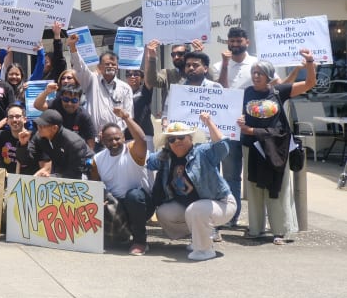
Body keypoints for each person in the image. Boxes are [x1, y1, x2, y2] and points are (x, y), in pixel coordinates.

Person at [238, 51, 316, 244]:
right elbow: (235, 113)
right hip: (252, 146)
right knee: (254, 188)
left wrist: (309, 63)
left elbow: (309, 84)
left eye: (260, 73)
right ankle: (255, 229)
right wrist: (240, 121)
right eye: (254, 72)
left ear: (269, 75)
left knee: (278, 187)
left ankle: (280, 231)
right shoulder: (247, 92)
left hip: (275, 147)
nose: (256, 76)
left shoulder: (278, 91)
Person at [146, 112, 234, 261]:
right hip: (190, 208)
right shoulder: (165, 157)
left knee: (197, 209)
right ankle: (199, 237)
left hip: (221, 204)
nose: (177, 142)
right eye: (172, 139)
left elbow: (222, 147)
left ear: (190, 138)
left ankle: (205, 250)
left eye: (181, 137)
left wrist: (209, 122)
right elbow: (146, 161)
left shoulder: (202, 152)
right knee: (164, 212)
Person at [209, 27, 259, 229]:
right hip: (228, 128)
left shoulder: (256, 63)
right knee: (230, 174)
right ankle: (230, 216)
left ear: (247, 41)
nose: (235, 45)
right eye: (232, 41)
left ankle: (254, 217)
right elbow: (220, 91)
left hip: (253, 126)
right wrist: (226, 65)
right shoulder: (217, 65)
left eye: (239, 41)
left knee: (255, 173)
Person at [91, 107, 154, 255]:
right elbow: (95, 186)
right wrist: (101, 198)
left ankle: (140, 241)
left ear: (123, 138)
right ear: (102, 141)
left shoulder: (133, 150)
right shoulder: (98, 159)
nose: (114, 142)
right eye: (109, 139)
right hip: (117, 206)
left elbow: (141, 139)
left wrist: (126, 118)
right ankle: (116, 237)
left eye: (117, 138)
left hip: (141, 203)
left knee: (133, 196)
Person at [68, 33, 133, 132]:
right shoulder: (92, 81)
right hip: (93, 137)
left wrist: (113, 132)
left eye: (113, 64)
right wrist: (73, 47)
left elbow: (128, 115)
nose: (110, 66)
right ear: (100, 66)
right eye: (107, 64)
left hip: (115, 138)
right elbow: (80, 67)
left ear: (117, 67)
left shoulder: (125, 88)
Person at [16, 109, 93, 179]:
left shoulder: (74, 143)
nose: (38, 127)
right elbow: (25, 161)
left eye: (42, 126)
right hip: (61, 172)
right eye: (38, 124)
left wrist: (51, 177)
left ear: (54, 128)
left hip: (87, 174)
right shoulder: (39, 136)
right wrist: (23, 145)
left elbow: (75, 173)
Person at [0, 105, 27, 172]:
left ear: (25, 119)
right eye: (11, 117)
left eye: (18, 116)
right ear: (7, 121)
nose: (14, 120)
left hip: (28, 180)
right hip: (5, 179)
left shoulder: (34, 138)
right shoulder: (0, 135)